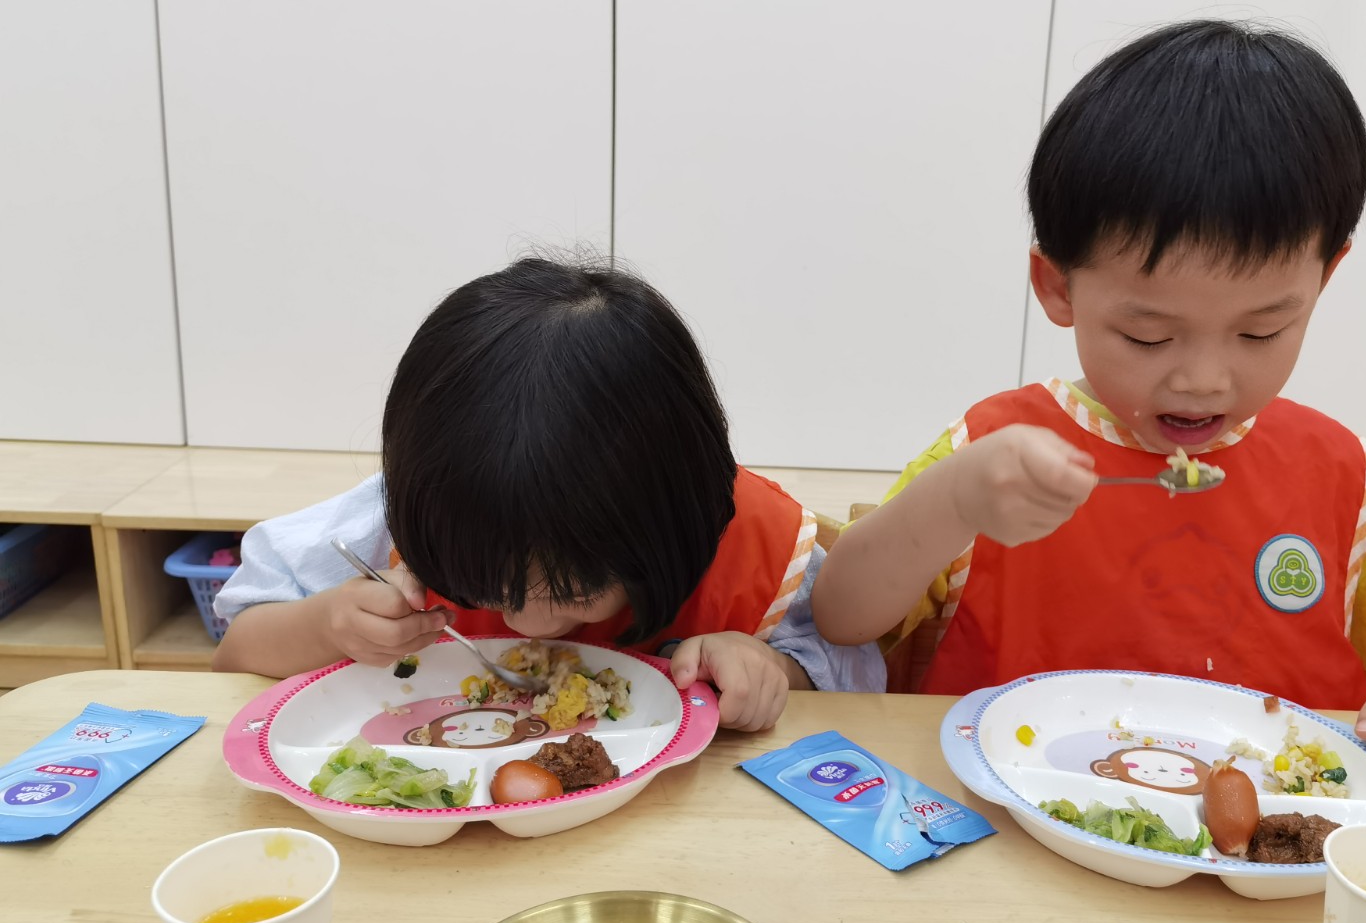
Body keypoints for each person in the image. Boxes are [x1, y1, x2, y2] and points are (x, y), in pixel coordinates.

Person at [813, 20, 1366, 801]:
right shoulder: (995, 454)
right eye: (1147, 336)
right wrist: (954, 501)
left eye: (1261, 331)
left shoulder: (1341, 480)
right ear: (1057, 287)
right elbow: (842, 617)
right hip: (1006, 837)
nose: (1203, 381)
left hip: (1273, 850)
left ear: (1324, 278)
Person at [212, 253, 884, 729]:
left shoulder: (754, 544)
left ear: (669, 525)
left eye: (575, 592)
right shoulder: (435, 512)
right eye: (488, 589)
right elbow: (235, 653)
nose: (527, 626)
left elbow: (860, 688)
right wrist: (326, 625)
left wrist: (770, 672)